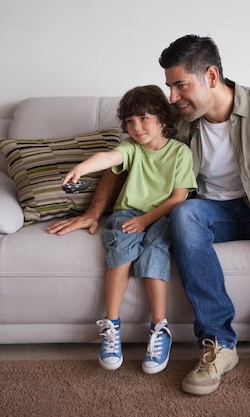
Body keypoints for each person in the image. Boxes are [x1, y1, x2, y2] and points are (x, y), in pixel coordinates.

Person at [48, 35, 250, 395]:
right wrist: (94, 211)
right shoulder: (177, 120)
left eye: (180, 85)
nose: (173, 98)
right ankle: (219, 344)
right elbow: (126, 161)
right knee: (185, 215)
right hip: (210, 211)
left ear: (210, 76)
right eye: (169, 87)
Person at [60, 85, 196, 375]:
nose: (137, 127)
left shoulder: (180, 152)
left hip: (164, 217)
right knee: (121, 249)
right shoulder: (131, 149)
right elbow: (109, 158)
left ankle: (159, 329)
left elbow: (178, 197)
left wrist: (147, 222)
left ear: (162, 119)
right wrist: (82, 168)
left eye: (144, 118)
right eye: (130, 121)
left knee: (155, 253)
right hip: (128, 213)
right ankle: (111, 326)